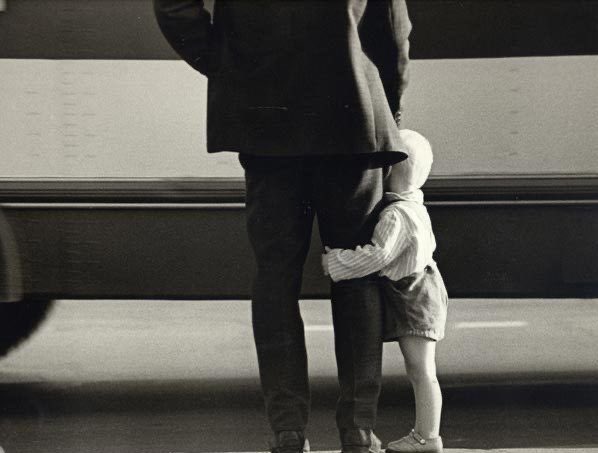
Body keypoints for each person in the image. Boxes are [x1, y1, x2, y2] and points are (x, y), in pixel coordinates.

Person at [153, 1, 412, 452]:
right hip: (351, 113)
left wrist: (227, 62)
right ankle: (358, 430)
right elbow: (391, 23)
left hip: (265, 120)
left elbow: (174, 6)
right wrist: (389, 107)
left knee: (275, 278)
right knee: (356, 272)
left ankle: (287, 430)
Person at [323, 130, 448, 453]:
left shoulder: (395, 215)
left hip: (413, 296)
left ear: (388, 170)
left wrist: (336, 260)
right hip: (424, 291)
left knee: (421, 370)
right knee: (423, 370)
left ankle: (427, 437)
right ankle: (426, 435)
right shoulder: (415, 206)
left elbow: (377, 256)